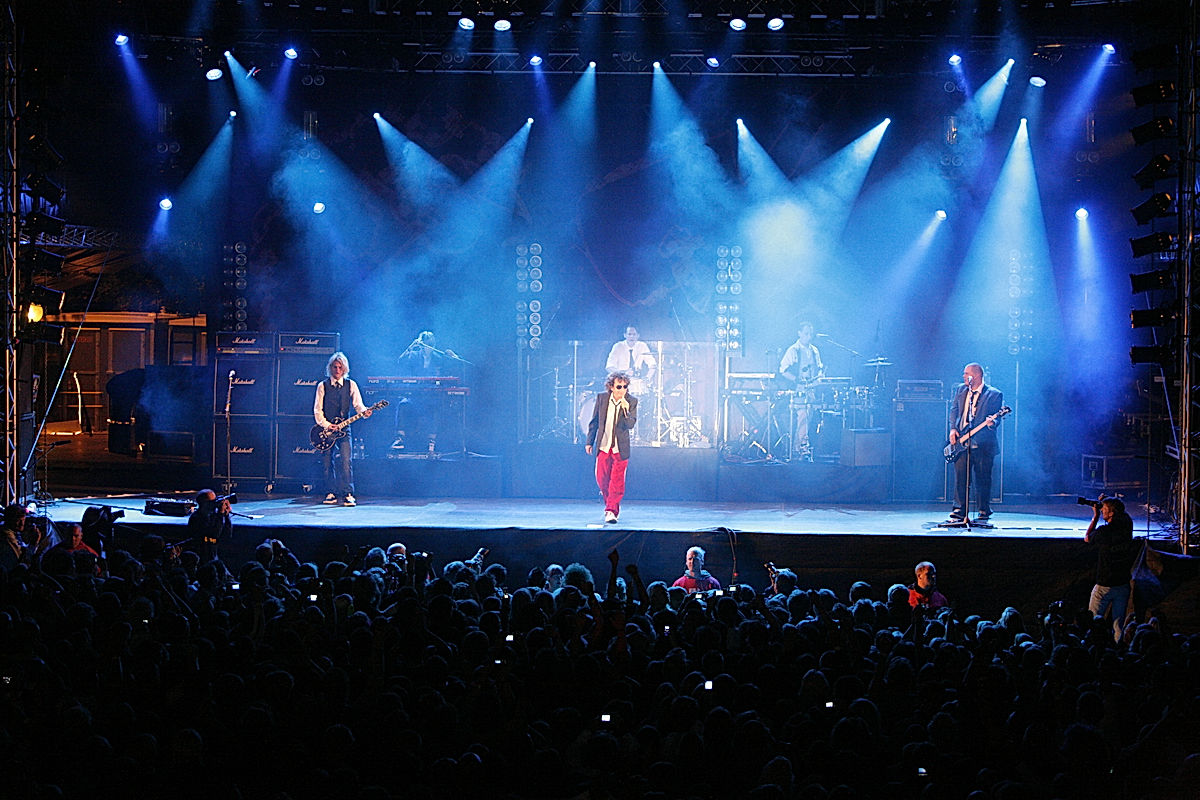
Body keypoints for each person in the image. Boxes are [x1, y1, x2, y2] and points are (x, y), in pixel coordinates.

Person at [313, 351, 372, 506]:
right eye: (334, 367)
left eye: (340, 367)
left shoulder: (351, 385)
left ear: (344, 369)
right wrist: (327, 425)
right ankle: (330, 492)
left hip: (344, 429)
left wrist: (364, 412)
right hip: (326, 430)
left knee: (346, 461)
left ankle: (348, 493)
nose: (337, 370)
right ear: (330, 368)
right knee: (327, 462)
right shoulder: (322, 386)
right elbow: (317, 410)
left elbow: (358, 405)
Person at [947, 362, 1003, 522]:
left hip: (983, 444)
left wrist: (993, 423)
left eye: (966, 373)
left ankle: (983, 510)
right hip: (962, 440)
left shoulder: (994, 394)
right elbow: (954, 410)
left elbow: (996, 418)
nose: (963, 376)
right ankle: (959, 510)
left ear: (975, 376)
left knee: (983, 478)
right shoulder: (961, 390)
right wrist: (953, 428)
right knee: (961, 477)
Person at [585, 372, 638, 524]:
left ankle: (611, 511)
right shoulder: (602, 399)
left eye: (625, 387)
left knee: (616, 481)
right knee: (601, 478)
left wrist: (626, 410)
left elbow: (630, 424)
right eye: (619, 387)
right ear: (611, 387)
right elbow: (594, 421)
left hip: (620, 448)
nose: (622, 390)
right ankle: (610, 503)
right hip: (604, 445)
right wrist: (590, 441)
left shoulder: (631, 401)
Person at [396, 330, 458, 457]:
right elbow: (400, 361)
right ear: (422, 345)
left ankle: (432, 442)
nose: (430, 347)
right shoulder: (414, 355)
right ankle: (400, 439)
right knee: (403, 405)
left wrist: (454, 357)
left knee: (435, 408)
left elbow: (451, 368)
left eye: (432, 344)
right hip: (414, 393)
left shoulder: (438, 357)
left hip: (431, 394)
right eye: (427, 344)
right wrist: (410, 347)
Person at [1084, 495, 1134, 643]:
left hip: (1104, 585)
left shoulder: (1103, 532)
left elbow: (1087, 537)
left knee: (1093, 621)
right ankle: (1119, 652)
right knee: (1118, 625)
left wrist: (1096, 516)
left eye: (1104, 509)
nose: (1102, 510)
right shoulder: (1128, 525)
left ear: (1111, 513)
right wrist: (1107, 500)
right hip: (1123, 584)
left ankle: (1093, 650)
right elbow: (1122, 513)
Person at [778, 322, 824, 460]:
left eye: (810, 334)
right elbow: (782, 370)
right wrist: (796, 379)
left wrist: (819, 378)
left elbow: (820, 368)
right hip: (798, 389)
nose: (809, 337)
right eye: (806, 334)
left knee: (808, 418)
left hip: (811, 389)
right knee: (802, 416)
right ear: (799, 333)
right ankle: (803, 447)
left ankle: (797, 447)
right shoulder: (793, 350)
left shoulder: (814, 350)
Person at [188, 490, 232, 564]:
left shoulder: (213, 516)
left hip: (214, 553)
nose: (215, 503)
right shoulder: (196, 518)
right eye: (212, 501)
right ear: (204, 503)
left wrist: (226, 516)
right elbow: (215, 535)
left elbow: (227, 534)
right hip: (202, 555)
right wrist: (220, 514)